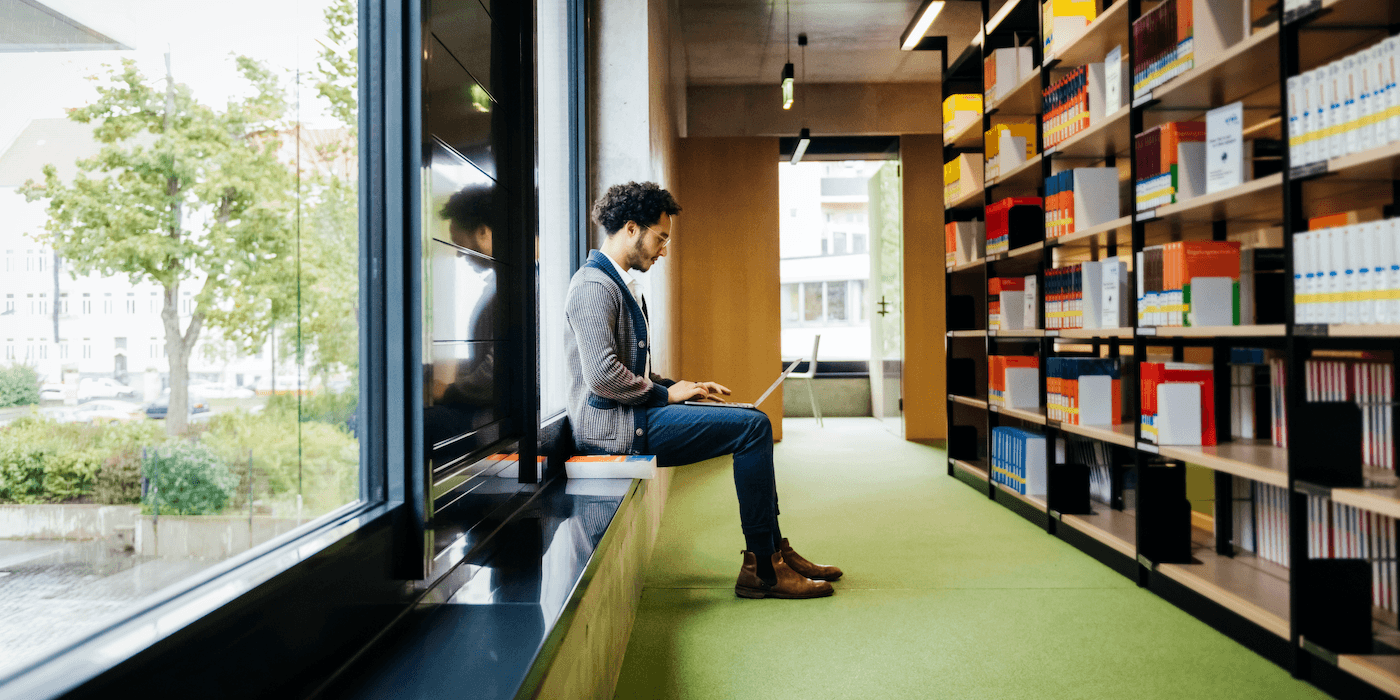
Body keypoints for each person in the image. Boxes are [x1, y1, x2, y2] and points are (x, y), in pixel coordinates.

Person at [563, 181, 843, 600]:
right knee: (753, 428)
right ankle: (765, 568)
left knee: (752, 421)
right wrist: (665, 396)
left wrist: (679, 386)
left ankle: (775, 552)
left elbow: (631, 371)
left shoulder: (616, 284)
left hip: (630, 417)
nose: (663, 250)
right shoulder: (592, 286)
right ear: (632, 229)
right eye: (661, 238)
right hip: (612, 430)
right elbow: (602, 376)